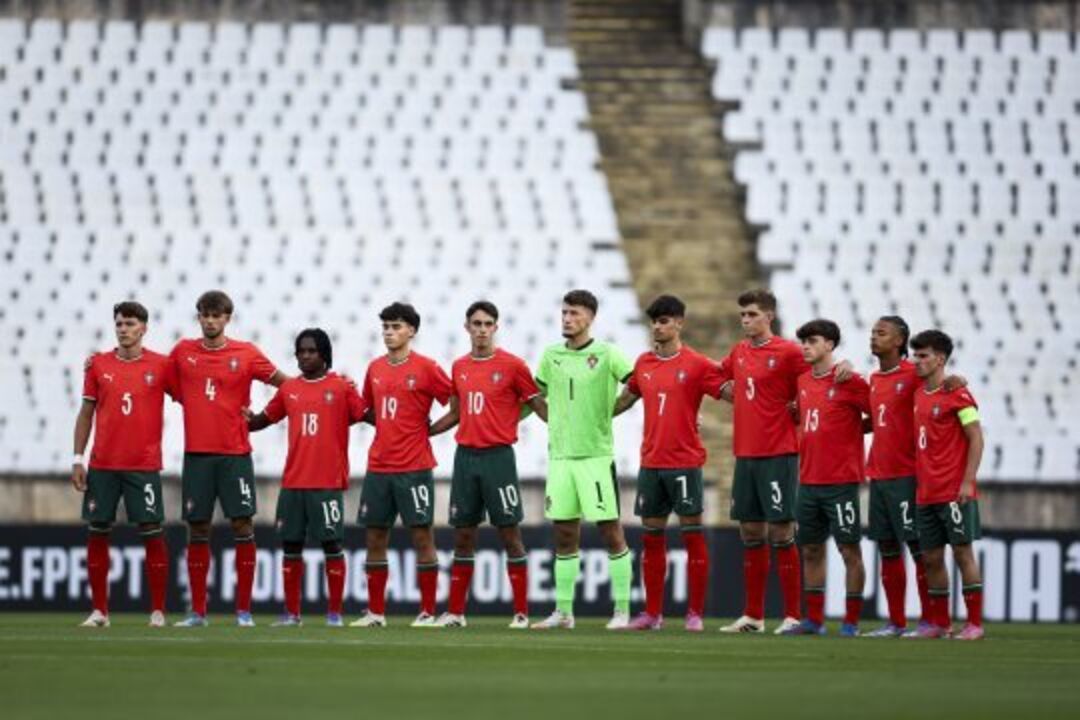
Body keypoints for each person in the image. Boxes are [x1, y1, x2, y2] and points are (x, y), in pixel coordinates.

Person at [717, 289, 852, 634]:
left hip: (779, 452)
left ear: (769, 317)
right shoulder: (740, 352)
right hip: (745, 453)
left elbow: (819, 375)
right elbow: (720, 376)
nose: (745, 320)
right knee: (750, 531)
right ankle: (753, 616)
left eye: (751, 314)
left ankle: (793, 613)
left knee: (780, 530)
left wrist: (846, 366)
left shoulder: (790, 352)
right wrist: (721, 389)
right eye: (743, 315)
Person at [428, 301, 548, 628]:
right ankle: (455, 612)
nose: (482, 329)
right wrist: (423, 431)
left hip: (498, 459)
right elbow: (455, 412)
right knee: (463, 536)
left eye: (488, 323)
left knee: (510, 534)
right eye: (476, 323)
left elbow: (537, 403)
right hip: (465, 458)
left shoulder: (513, 366)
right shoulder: (459, 366)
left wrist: (565, 430)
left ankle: (521, 613)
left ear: (496, 327)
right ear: (467, 327)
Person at [170, 290, 286, 627]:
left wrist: (263, 417)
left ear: (227, 318)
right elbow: (156, 375)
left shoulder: (246, 353)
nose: (209, 321)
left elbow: (287, 386)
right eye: (204, 315)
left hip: (235, 455)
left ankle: (244, 611)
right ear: (199, 317)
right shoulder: (182, 351)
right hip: (197, 456)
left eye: (215, 316)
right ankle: (198, 612)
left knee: (242, 525)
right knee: (198, 528)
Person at [613, 295, 724, 632]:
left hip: (685, 462)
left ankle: (694, 614)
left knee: (692, 537)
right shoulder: (644, 363)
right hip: (651, 462)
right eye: (654, 321)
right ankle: (653, 614)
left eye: (664, 321)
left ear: (679, 323)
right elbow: (624, 400)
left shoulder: (697, 364)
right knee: (651, 539)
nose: (657, 327)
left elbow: (730, 390)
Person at [245, 329, 367, 627]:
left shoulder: (341, 387)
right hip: (293, 483)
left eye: (311, 351)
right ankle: (292, 613)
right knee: (291, 547)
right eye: (300, 351)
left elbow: (365, 414)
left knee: (332, 547)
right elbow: (262, 420)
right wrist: (239, 415)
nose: (304, 356)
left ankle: (335, 613)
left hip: (326, 484)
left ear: (324, 354)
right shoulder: (289, 389)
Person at [531, 289, 635, 630]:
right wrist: (553, 418)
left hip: (594, 456)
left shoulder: (607, 354)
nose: (567, 319)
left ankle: (622, 610)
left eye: (574, 313)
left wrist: (610, 411)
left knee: (610, 531)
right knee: (564, 534)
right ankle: (564, 612)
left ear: (590, 318)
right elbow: (534, 395)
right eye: (564, 313)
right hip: (560, 458)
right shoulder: (551, 355)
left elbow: (637, 385)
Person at [72, 301, 176, 627]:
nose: (123, 329)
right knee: (97, 531)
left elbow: (191, 395)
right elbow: (86, 413)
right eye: (119, 323)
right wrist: (77, 458)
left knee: (152, 532)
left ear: (144, 328)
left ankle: (158, 610)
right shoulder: (98, 365)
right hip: (103, 464)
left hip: (142, 466)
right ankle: (99, 611)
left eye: (130, 323)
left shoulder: (162, 365)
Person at [351, 302, 453, 628]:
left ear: (411, 331)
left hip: (414, 467)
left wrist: (431, 430)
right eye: (385, 327)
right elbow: (369, 410)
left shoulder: (427, 367)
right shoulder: (375, 368)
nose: (389, 333)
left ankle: (426, 611)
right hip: (379, 466)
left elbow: (457, 404)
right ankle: (376, 612)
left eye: (395, 327)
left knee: (422, 537)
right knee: (374, 538)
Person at [782, 319, 870, 637]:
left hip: (841, 482)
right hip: (807, 482)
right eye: (803, 341)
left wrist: (852, 431)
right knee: (811, 550)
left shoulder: (850, 380)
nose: (805, 346)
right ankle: (814, 621)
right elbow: (806, 418)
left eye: (812, 340)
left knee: (849, 551)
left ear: (830, 345)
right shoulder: (803, 381)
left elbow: (880, 414)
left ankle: (851, 622)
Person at [908, 330, 985, 640]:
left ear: (940, 359)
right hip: (925, 491)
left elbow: (976, 437)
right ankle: (940, 623)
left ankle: (975, 624)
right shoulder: (917, 393)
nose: (917, 361)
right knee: (931, 557)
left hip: (954, 490)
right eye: (916, 355)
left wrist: (968, 481)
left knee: (963, 553)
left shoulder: (958, 394)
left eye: (923, 356)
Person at [863, 316, 931, 637]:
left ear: (900, 340)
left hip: (907, 474)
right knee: (888, 549)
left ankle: (931, 620)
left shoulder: (915, 375)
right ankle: (896, 622)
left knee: (919, 548)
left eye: (881, 333)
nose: (874, 337)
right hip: (878, 474)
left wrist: (953, 381)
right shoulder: (874, 379)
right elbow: (875, 420)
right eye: (873, 332)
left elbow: (938, 392)